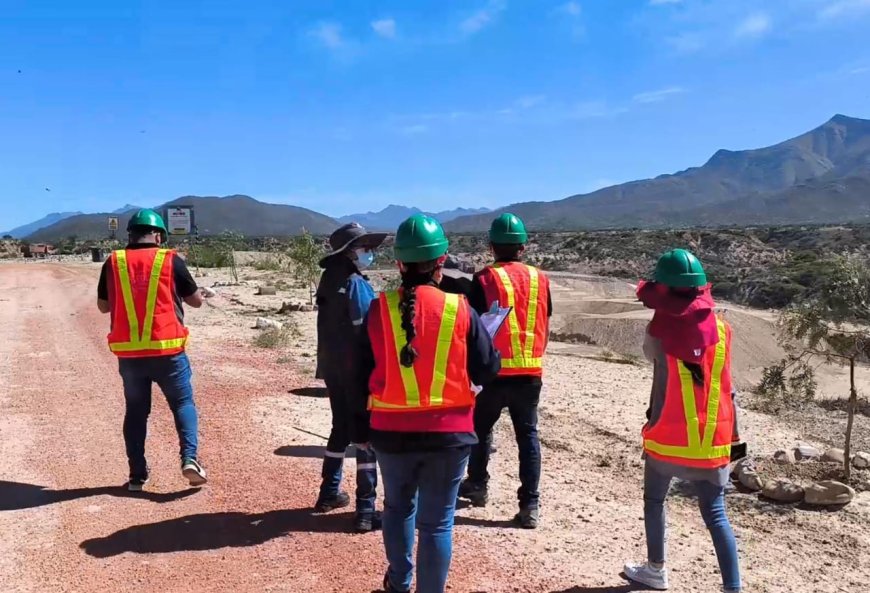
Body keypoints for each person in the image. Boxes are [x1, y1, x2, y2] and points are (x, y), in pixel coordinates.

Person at [350, 214, 500, 593]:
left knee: (398, 510)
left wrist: (359, 427)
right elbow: (487, 369)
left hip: (390, 432)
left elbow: (360, 371)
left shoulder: (378, 309)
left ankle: (399, 583)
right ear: (441, 261)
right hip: (449, 435)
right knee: (436, 524)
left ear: (399, 264)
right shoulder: (459, 308)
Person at [623, 248, 741, 593]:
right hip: (713, 441)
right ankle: (732, 587)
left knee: (655, 501)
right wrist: (738, 444)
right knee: (716, 514)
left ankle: (655, 570)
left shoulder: (659, 334)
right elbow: (728, 389)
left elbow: (650, 356)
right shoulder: (724, 332)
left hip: (668, 438)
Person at [97, 209, 208, 491]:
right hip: (167, 351)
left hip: (131, 356)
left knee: (136, 412)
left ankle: (137, 475)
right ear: (158, 235)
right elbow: (195, 302)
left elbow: (103, 306)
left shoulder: (114, 262)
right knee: (182, 404)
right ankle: (189, 459)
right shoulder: (171, 260)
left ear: (130, 235)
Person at [458, 213, 552, 529]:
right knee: (528, 436)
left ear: (491, 246)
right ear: (523, 247)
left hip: (494, 371)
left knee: (481, 429)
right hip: (530, 372)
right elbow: (545, 315)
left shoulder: (484, 279)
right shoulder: (541, 279)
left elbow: (472, 325)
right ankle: (530, 505)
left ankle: (478, 485)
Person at [315, 222, 387, 532]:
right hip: (357, 372)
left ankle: (329, 492)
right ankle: (366, 510)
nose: (369, 253)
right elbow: (368, 329)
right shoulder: (356, 284)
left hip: (333, 368)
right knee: (365, 438)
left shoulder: (329, 279)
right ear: (349, 253)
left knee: (340, 428)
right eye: (364, 248)